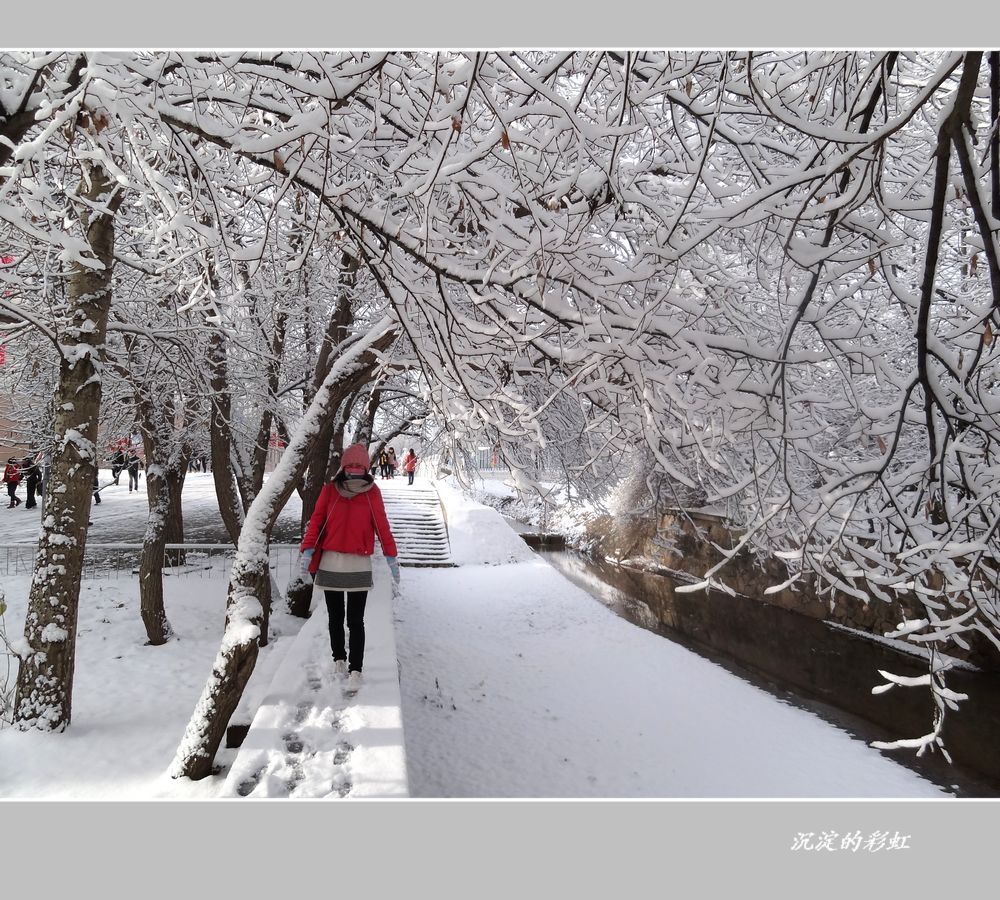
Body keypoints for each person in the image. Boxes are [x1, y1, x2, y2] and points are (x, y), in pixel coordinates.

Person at [299, 442, 400, 688]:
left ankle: (341, 661)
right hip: (358, 565)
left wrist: (308, 550)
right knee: (355, 620)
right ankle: (355, 668)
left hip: (332, 562)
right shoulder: (371, 492)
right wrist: (391, 558)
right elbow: (382, 527)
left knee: (337, 617)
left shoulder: (330, 490)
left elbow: (316, 523)